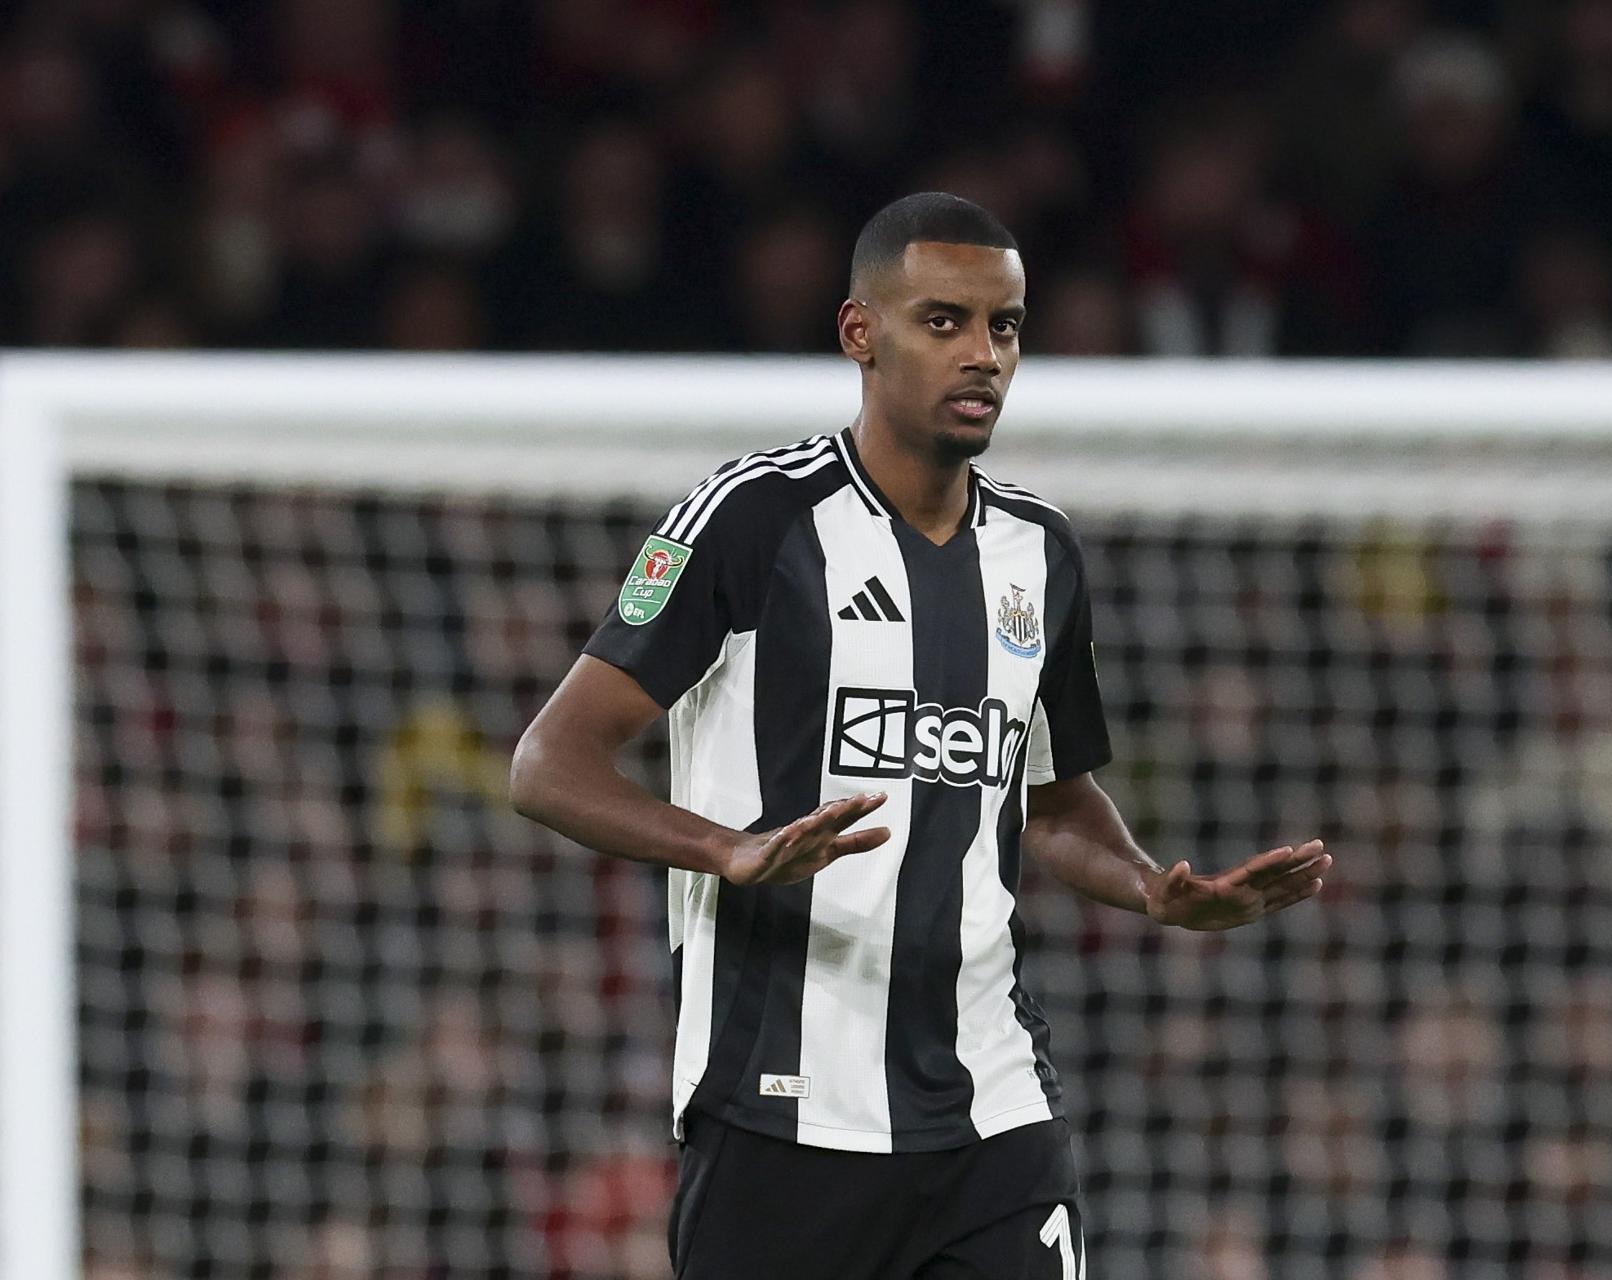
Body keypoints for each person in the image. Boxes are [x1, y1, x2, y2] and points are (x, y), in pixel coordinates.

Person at [509, 191, 1333, 1279]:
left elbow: (1047, 796)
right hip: (779, 1112)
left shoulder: (1043, 553)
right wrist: (727, 848)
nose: (983, 354)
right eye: (943, 321)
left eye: (1005, 325)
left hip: (992, 1110)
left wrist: (1147, 884)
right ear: (862, 333)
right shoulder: (754, 518)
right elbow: (546, 764)